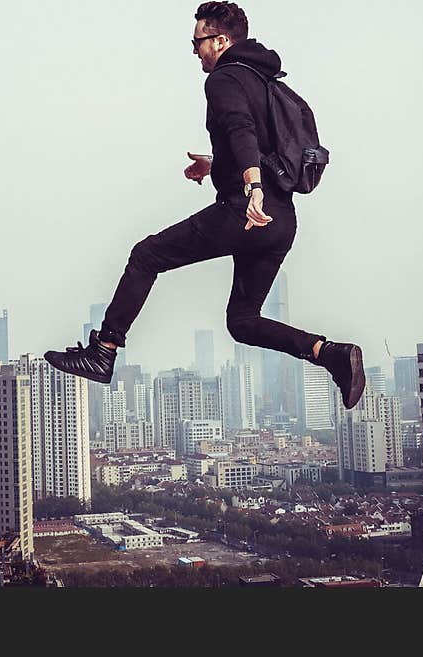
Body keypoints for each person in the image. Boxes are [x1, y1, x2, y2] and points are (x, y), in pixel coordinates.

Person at [44, 1, 365, 409]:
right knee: (243, 321)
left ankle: (103, 351)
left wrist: (252, 189)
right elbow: (258, 144)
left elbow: (240, 130)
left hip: (249, 210)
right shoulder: (266, 81)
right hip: (283, 220)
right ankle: (331, 354)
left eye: (197, 42)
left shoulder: (224, 78)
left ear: (221, 40)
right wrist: (216, 166)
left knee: (146, 255)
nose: (194, 51)